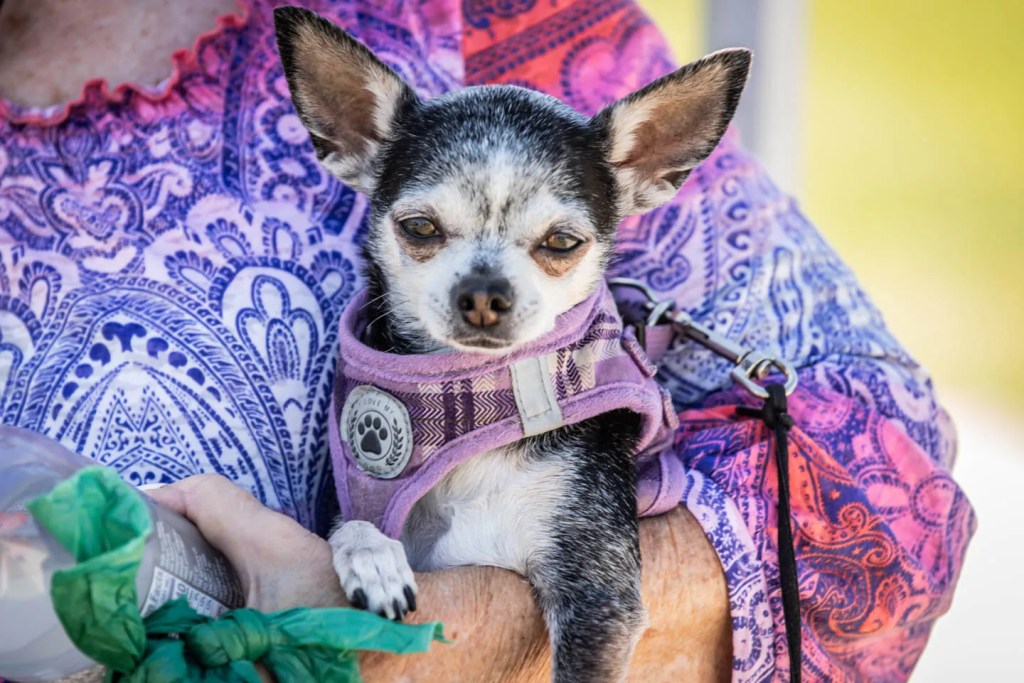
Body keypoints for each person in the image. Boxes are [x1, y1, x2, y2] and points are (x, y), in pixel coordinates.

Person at [0, 0, 974, 681]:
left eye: (556, 245)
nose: (483, 297)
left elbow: (889, 479)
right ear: (345, 134)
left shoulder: (498, 22)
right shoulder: (376, 126)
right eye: (426, 231)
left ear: (647, 168)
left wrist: (433, 644)